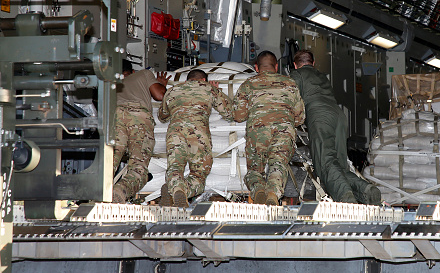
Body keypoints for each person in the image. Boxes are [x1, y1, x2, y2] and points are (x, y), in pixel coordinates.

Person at [290, 50, 381, 205]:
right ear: (313, 63)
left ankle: (346, 197)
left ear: (295, 64)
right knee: (339, 165)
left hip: (320, 117)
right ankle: (366, 190)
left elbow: (292, 101)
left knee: (325, 163)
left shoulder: (296, 75)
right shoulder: (321, 76)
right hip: (338, 116)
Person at [233, 51, 305, 205]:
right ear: (276, 66)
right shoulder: (290, 83)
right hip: (283, 133)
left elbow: (238, 116)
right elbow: (299, 118)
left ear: (256, 67)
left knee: (255, 170)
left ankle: (258, 190)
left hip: (258, 134)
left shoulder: (248, 84)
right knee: (278, 164)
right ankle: (272, 193)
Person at [157, 69, 233, 208]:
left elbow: (162, 117)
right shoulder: (209, 89)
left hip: (175, 133)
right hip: (198, 135)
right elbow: (229, 113)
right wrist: (216, 92)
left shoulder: (173, 90)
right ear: (204, 80)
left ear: (186, 80)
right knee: (198, 174)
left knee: (175, 168)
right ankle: (182, 190)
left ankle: (174, 188)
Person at [112, 60, 169, 203]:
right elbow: (160, 95)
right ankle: (120, 191)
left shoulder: (109, 83)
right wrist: (161, 85)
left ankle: (96, 193)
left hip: (115, 118)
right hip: (138, 120)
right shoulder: (143, 74)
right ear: (132, 71)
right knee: (138, 164)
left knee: (110, 160)